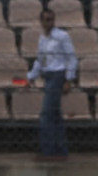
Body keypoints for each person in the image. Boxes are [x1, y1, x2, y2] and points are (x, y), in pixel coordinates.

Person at [26, 9, 77, 159]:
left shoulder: (62, 36)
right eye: (46, 20)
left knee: (46, 115)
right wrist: (32, 76)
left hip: (57, 75)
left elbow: (71, 58)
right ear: (41, 22)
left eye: (51, 20)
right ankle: (60, 150)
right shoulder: (42, 38)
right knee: (55, 115)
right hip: (48, 76)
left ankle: (47, 150)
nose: (48, 23)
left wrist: (68, 79)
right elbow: (40, 59)